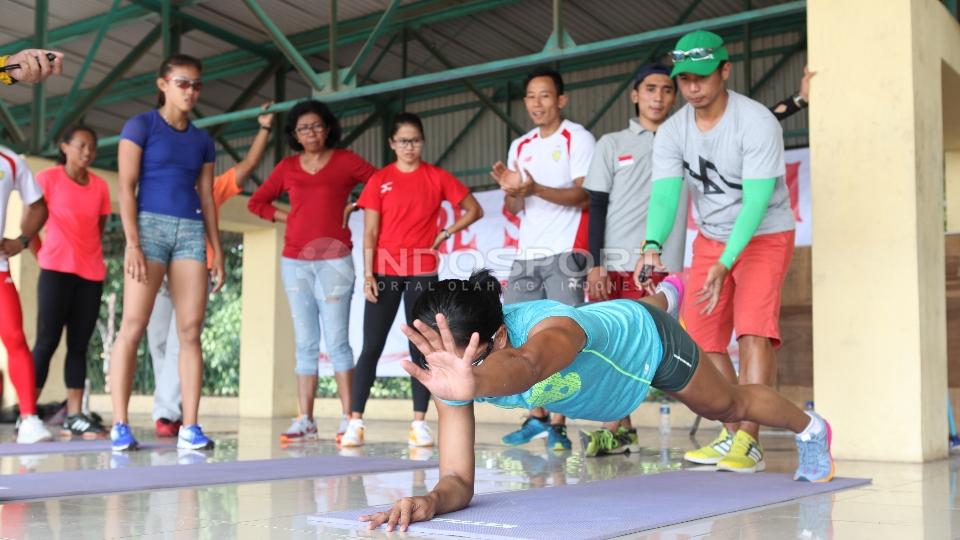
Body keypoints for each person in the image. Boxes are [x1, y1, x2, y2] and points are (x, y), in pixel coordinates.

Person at [358, 270, 835, 532]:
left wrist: (470, 383)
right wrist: (430, 501)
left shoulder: (552, 329)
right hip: (607, 359)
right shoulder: (453, 368)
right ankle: (664, 295)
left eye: (460, 363)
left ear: (499, 336)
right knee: (617, 320)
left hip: (648, 348)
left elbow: (527, 367)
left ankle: (812, 428)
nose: (443, 373)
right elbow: (459, 480)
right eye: (433, 359)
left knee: (726, 408)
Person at [639, 30, 796, 474]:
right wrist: (651, 244)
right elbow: (667, 196)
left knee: (753, 329)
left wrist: (727, 264)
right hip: (709, 237)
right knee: (704, 336)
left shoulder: (756, 121)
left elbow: (757, 201)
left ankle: (750, 439)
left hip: (763, 233)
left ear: (725, 71)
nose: (692, 87)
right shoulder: (672, 131)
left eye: (702, 76)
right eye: (684, 78)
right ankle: (730, 429)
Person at [341, 112, 483, 448]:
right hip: (385, 271)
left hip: (422, 269)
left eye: (415, 140)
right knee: (371, 346)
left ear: (422, 142)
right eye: (403, 141)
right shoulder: (380, 180)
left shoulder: (436, 177)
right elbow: (371, 230)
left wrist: (446, 232)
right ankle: (354, 422)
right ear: (392, 143)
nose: (410, 146)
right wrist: (368, 274)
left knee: (420, 346)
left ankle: (419, 423)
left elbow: (473, 209)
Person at [109, 54, 223, 452]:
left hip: (190, 231)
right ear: (163, 84)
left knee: (190, 332)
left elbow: (208, 198)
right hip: (149, 229)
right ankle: (120, 424)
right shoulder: (140, 125)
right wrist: (133, 243)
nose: (190, 91)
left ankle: (189, 426)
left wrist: (218, 251)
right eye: (182, 83)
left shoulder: (202, 139)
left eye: (196, 84)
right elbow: (125, 187)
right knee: (133, 327)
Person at [248, 99, 377, 443]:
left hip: (335, 259)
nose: (311, 133)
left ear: (328, 128)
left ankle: (350, 418)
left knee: (337, 342)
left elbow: (380, 184)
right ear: (295, 134)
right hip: (295, 262)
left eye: (317, 126)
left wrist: (356, 204)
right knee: (305, 343)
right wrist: (287, 217)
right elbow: (256, 201)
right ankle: (305, 418)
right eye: (303, 128)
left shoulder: (345, 161)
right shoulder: (288, 166)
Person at [149, 103, 274, 438]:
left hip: (192, 271)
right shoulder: (155, 187)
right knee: (157, 341)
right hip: (156, 272)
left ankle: (166, 413)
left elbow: (247, 167)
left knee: (180, 341)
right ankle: (169, 407)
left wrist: (263, 128)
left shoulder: (209, 189)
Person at [581, 63, 686, 457]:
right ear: (635, 95)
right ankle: (618, 430)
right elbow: (596, 204)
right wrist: (596, 263)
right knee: (609, 346)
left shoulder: (685, 141)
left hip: (664, 266)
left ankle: (615, 429)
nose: (659, 97)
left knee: (644, 349)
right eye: (651, 89)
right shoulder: (611, 143)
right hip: (616, 261)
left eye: (666, 90)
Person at [490, 67, 594, 451]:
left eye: (545, 96)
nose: (537, 103)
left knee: (562, 334)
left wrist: (534, 187)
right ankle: (536, 416)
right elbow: (516, 206)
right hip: (526, 255)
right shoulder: (520, 145)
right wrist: (512, 191)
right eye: (531, 96)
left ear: (561, 100)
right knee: (518, 333)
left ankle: (560, 423)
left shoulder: (577, 138)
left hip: (566, 251)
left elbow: (584, 196)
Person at [31, 126, 111, 439]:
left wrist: (85, 255)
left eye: (92, 147)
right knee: (46, 342)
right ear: (64, 147)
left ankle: (74, 414)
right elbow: (32, 221)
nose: (88, 152)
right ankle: (28, 413)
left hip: (90, 275)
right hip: (55, 271)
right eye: (81, 145)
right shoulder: (47, 179)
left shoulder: (101, 186)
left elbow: (99, 227)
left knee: (79, 346)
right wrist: (44, 256)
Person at [0, 145, 53, 444]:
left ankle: (29, 419)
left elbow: (38, 206)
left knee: (15, 337)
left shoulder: (9, 160)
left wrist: (21, 242)